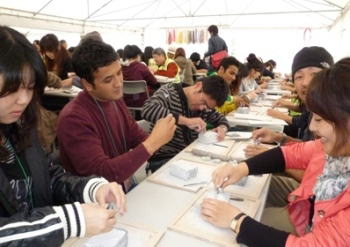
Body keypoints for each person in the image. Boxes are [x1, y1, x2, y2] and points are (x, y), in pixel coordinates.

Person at [201, 57, 350, 246]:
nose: (312, 126)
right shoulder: (336, 145)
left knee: (233, 230)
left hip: (309, 228)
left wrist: (236, 221)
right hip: (307, 205)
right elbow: (290, 154)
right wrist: (241, 169)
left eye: (320, 120)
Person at [0, 25, 126, 246]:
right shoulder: (75, 115)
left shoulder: (17, 127)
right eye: (11, 89)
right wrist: (70, 221)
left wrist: (92, 188)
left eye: (29, 88)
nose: (23, 100)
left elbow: (47, 178)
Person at [57, 40, 176, 190]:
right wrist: (152, 143)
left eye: (119, 73)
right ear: (87, 84)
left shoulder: (114, 99)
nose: (118, 83)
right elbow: (102, 174)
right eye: (108, 79)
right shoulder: (73, 119)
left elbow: (134, 135)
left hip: (123, 185)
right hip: (97, 202)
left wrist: (160, 139)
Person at [245, 46, 334, 159]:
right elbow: (307, 148)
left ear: (331, 77)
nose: (306, 83)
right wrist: (278, 138)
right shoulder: (315, 109)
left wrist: (273, 157)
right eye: (299, 76)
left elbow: (317, 170)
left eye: (315, 75)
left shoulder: (337, 118)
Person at [141, 75, 230, 172]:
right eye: (203, 102)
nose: (202, 108)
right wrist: (186, 121)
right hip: (164, 158)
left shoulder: (206, 107)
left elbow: (222, 119)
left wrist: (222, 128)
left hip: (189, 156)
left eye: (208, 107)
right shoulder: (169, 92)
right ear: (198, 86)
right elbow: (147, 109)